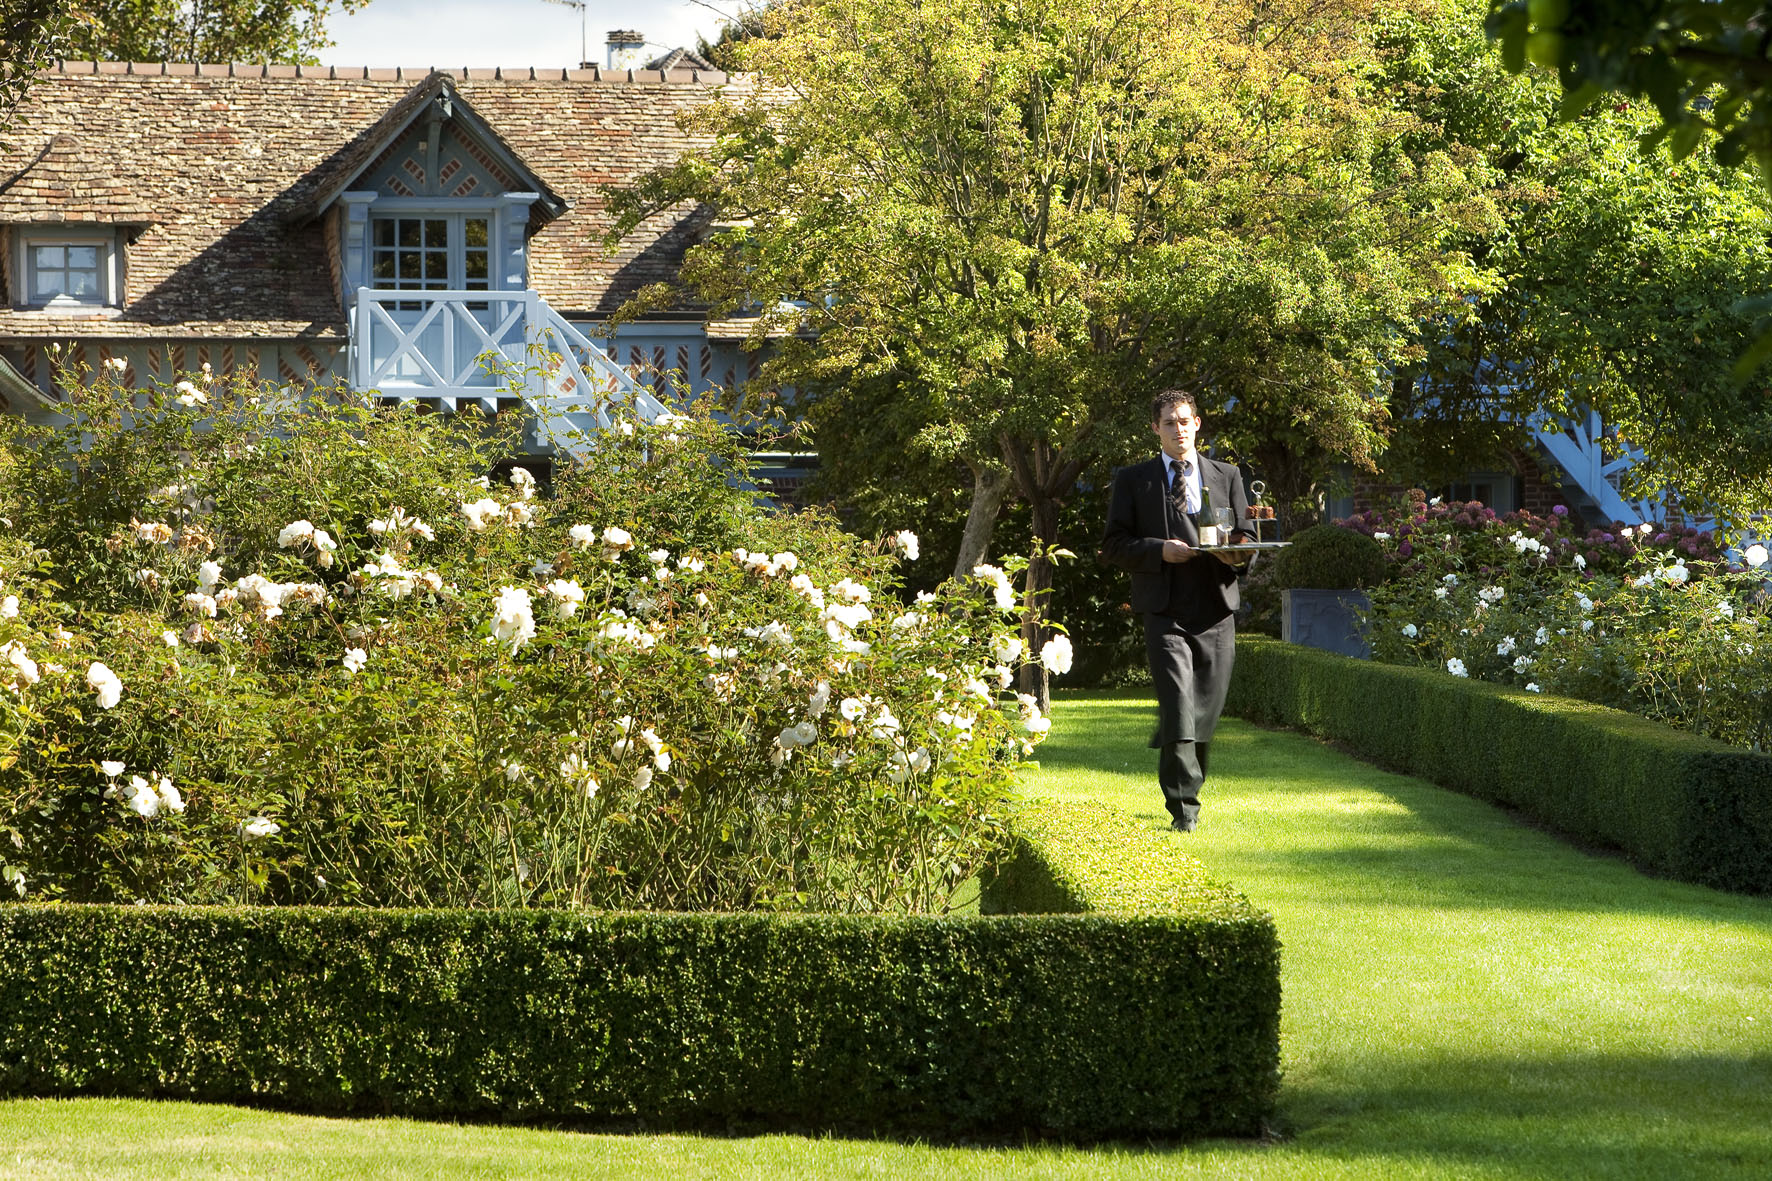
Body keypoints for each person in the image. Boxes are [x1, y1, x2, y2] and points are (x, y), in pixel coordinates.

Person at [1099, 389, 1253, 832]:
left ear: (1198, 425)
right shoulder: (1134, 480)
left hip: (1216, 608)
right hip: (1165, 611)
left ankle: (1178, 750)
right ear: (1155, 429)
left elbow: (1245, 536)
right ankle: (1184, 809)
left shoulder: (1226, 475)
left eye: (1185, 421)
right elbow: (1113, 545)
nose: (1178, 429)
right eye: (1169, 422)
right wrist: (1159, 551)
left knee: (1204, 707)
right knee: (1179, 701)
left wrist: (1236, 555)